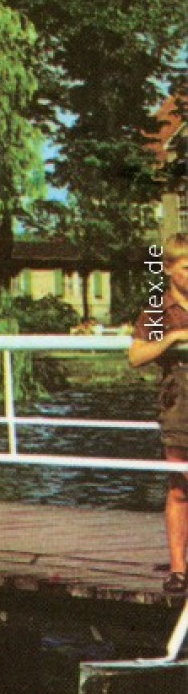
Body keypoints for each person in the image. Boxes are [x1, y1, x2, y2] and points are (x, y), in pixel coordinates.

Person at [128, 232, 188, 595]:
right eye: (187, 267)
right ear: (168, 269)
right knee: (180, 488)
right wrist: (172, 339)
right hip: (179, 406)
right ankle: (179, 570)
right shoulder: (158, 311)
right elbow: (136, 356)